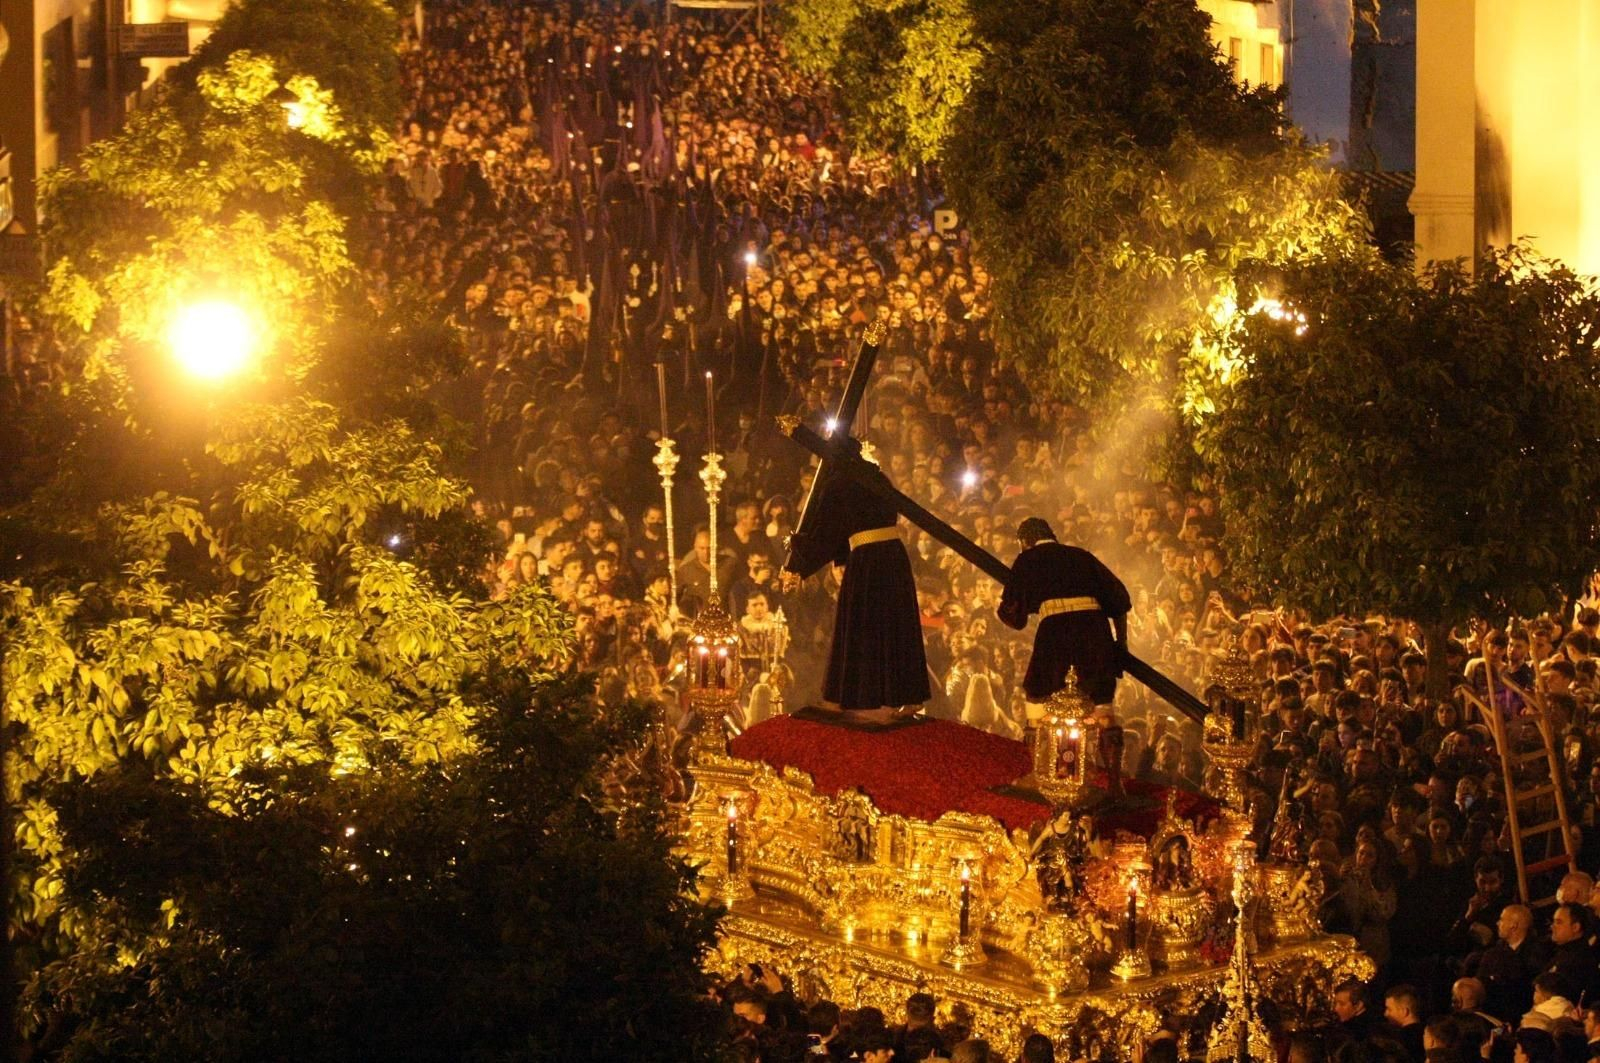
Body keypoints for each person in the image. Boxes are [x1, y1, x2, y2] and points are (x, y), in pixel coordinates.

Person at [783, 456, 930, 723]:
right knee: (897, 624)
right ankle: (909, 696)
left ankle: (855, 697)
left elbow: (828, 534)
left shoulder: (838, 485)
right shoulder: (877, 476)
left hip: (867, 560)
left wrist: (798, 551)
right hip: (894, 555)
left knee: (861, 627)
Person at [998, 517, 1131, 708]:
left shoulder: (1026, 559)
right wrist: (1120, 644)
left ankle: (1039, 736)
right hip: (1095, 632)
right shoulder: (1082, 555)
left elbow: (1013, 615)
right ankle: (1106, 733)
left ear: (1025, 542)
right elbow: (1119, 600)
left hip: (1055, 632)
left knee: (1039, 693)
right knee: (1100, 698)